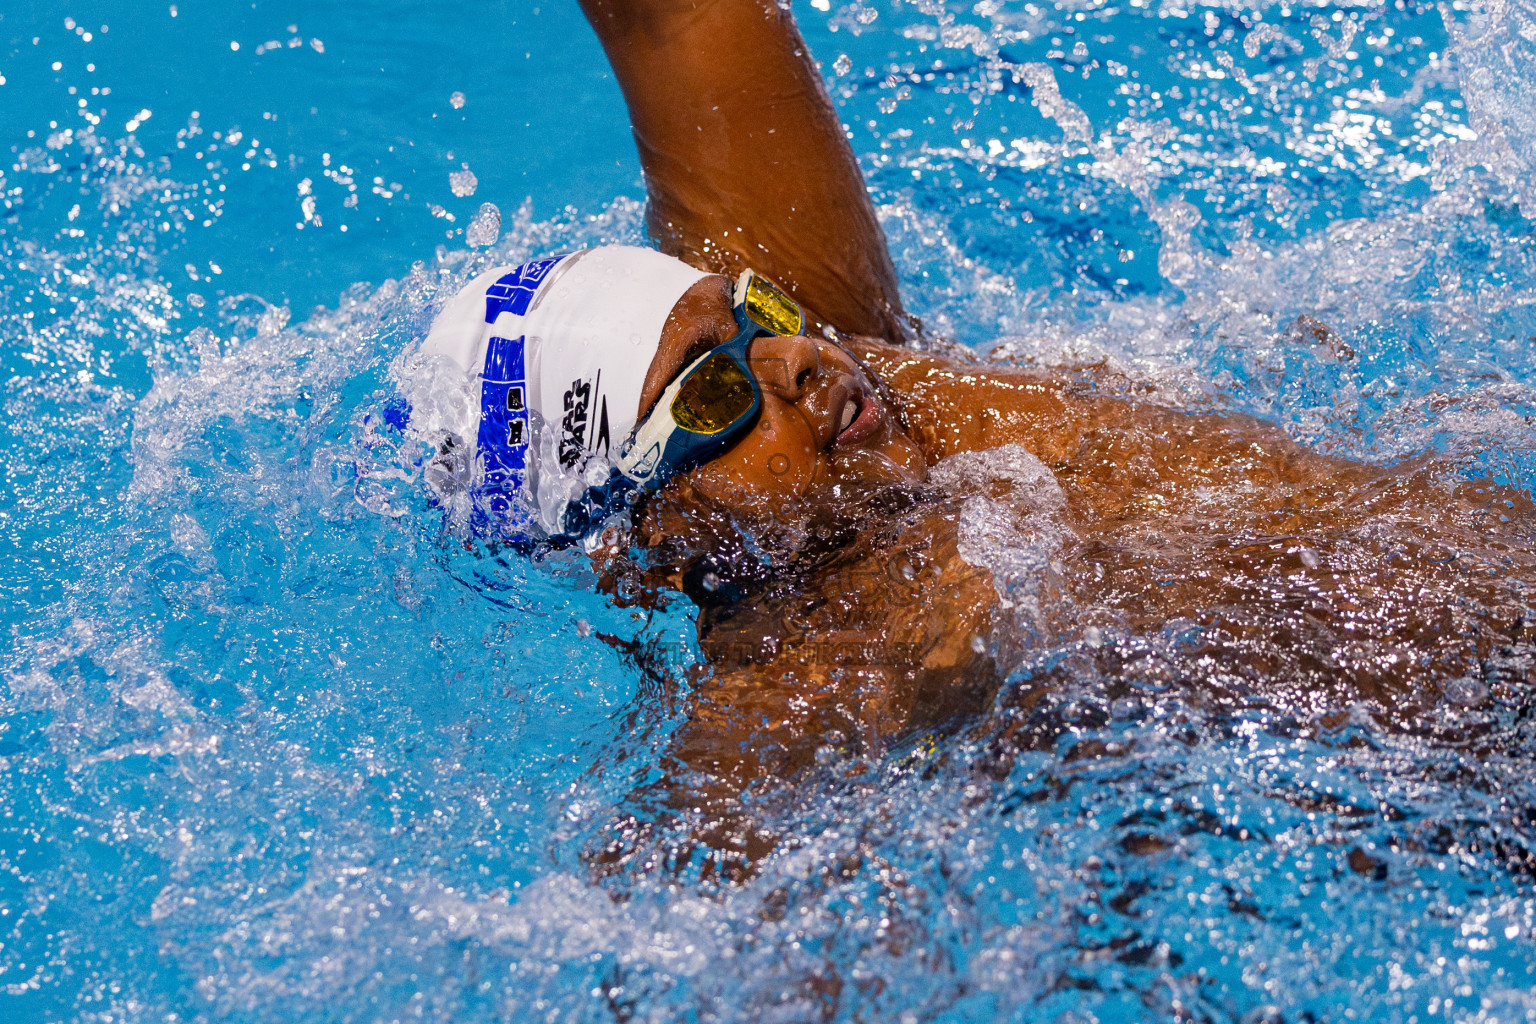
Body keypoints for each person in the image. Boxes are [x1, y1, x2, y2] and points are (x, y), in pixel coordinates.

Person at [407, 0, 1536, 876]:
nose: (796, 360)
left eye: (753, 311)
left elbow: (683, 18)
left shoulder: (840, 375)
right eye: (711, 396)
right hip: (1470, 783)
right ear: (646, 550)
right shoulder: (801, 697)